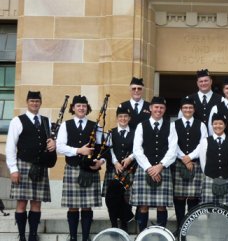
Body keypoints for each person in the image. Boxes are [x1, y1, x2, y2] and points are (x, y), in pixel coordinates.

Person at [6, 91, 56, 241]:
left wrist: (54, 143)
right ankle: (22, 236)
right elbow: (10, 146)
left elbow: (51, 141)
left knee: (36, 203)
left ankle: (33, 235)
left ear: (40, 103)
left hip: (40, 166)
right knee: (21, 202)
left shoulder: (46, 121)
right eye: (32, 101)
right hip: (22, 165)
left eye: (37, 101)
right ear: (27, 102)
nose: (34, 103)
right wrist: (13, 169)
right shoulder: (17, 120)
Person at [57, 95, 104, 241]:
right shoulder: (66, 125)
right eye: (78, 106)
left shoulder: (96, 126)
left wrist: (100, 161)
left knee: (87, 206)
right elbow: (59, 146)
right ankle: (72, 237)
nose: (81, 108)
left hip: (89, 169)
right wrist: (78, 150)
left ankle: (85, 237)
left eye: (84, 106)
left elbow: (103, 148)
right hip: (72, 167)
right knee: (72, 206)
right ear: (73, 108)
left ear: (87, 108)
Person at [131, 96, 177, 232]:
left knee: (161, 205)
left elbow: (172, 150)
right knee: (143, 205)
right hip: (145, 169)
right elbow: (137, 150)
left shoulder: (171, 126)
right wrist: (149, 168)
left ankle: (161, 233)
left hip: (163, 168)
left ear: (165, 109)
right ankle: (142, 234)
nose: (159, 110)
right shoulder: (141, 126)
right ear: (150, 108)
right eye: (156, 107)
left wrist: (160, 166)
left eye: (161, 107)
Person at [172, 96, 208, 231]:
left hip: (195, 163)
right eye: (185, 108)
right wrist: (183, 158)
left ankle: (192, 227)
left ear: (194, 109)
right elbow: (172, 144)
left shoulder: (201, 125)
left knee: (193, 197)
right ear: (181, 109)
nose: (188, 110)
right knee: (179, 197)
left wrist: (190, 157)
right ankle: (180, 225)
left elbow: (203, 144)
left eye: (190, 108)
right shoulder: (174, 124)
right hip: (179, 163)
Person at [198, 113, 228, 214]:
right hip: (210, 178)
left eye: (220, 124)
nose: (218, 126)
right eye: (215, 123)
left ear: (225, 125)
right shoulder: (205, 141)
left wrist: (227, 173)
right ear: (212, 125)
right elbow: (203, 161)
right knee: (210, 211)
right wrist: (210, 174)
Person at [102, 105, 135, 231]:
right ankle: (114, 224)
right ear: (117, 118)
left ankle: (124, 223)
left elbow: (137, 149)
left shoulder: (135, 132)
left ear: (129, 118)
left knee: (127, 197)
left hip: (129, 170)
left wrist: (129, 158)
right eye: (120, 116)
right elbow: (109, 150)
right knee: (112, 199)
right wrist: (116, 163)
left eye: (125, 116)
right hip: (114, 169)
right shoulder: (111, 133)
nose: (123, 119)